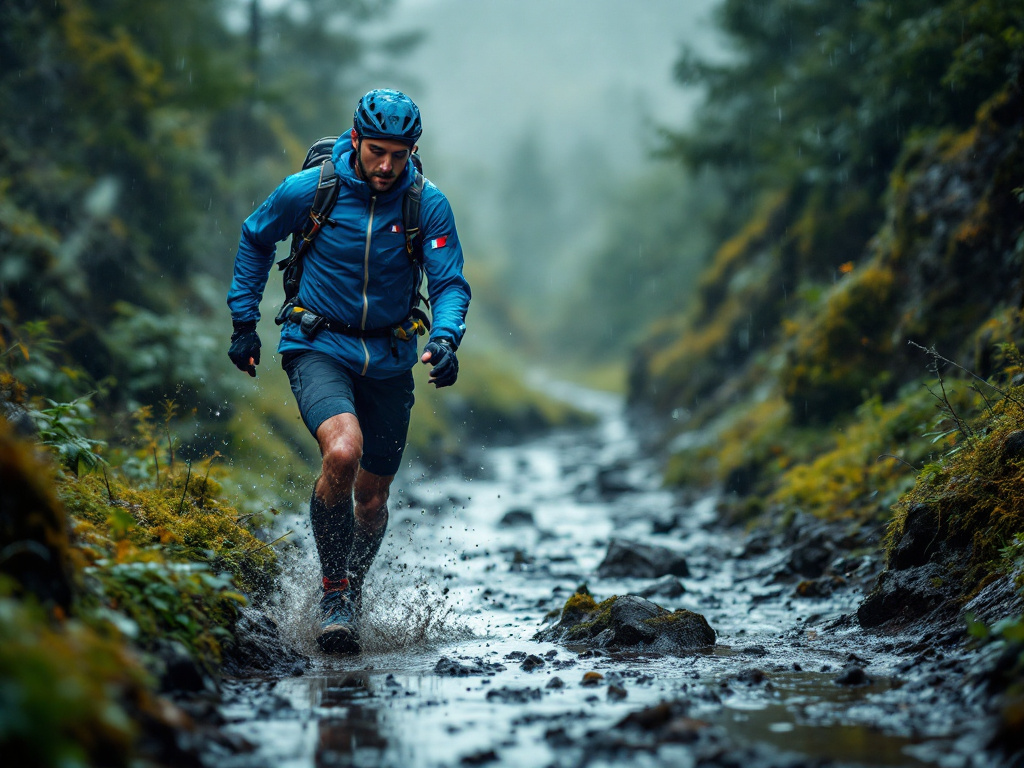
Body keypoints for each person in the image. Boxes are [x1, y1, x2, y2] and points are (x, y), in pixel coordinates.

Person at [225, 89, 471, 654]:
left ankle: (350, 593)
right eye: (377, 152)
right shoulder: (311, 190)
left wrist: (447, 338)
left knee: (373, 498)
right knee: (342, 452)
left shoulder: (425, 204)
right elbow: (255, 237)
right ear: (355, 140)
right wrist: (244, 321)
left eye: (399, 155)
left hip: (389, 358)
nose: (386, 166)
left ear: (413, 150)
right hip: (317, 344)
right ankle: (334, 590)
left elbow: (450, 282)